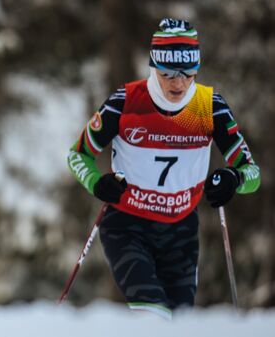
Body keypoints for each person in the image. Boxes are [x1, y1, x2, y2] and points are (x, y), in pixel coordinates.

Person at [67, 18, 260, 319]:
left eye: (187, 71)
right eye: (168, 71)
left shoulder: (210, 108)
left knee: (179, 322)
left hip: (181, 232)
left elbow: (252, 173)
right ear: (153, 65)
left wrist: (233, 179)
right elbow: (78, 155)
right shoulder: (126, 102)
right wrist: (97, 183)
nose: (178, 82)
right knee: (153, 315)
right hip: (128, 225)